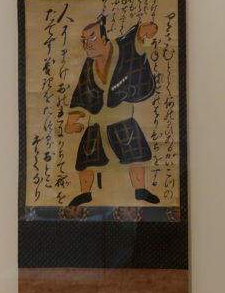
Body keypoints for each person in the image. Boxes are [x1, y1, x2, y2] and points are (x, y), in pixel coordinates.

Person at [65, 15, 159, 207]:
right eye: (84, 40)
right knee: (86, 161)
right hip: (96, 122)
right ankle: (85, 193)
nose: (88, 44)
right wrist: (72, 121)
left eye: (92, 38)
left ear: (104, 37)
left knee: (136, 158)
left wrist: (144, 30)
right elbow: (82, 92)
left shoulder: (123, 49)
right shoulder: (89, 64)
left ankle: (140, 190)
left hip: (123, 119)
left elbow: (135, 39)